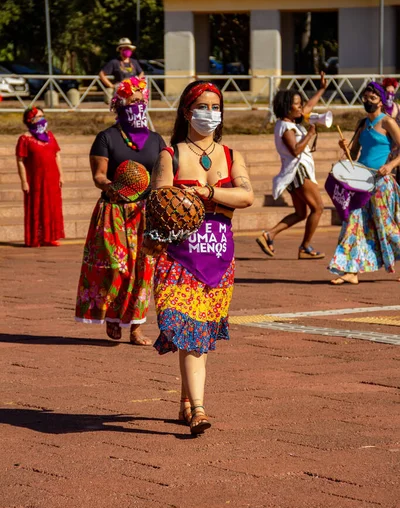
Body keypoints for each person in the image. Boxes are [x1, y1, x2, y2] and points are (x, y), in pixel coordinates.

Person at [151, 80, 254, 435]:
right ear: (186, 112)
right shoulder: (171, 155)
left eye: (215, 107)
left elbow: (247, 196)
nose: (209, 113)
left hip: (218, 257)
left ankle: (184, 401)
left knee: (200, 333)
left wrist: (207, 191)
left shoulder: (231, 156)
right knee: (190, 329)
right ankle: (198, 408)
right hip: (179, 256)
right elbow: (158, 201)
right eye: (202, 107)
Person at [75, 76, 166, 343]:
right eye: (132, 101)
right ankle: (113, 318)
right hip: (114, 212)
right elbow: (99, 176)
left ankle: (136, 326)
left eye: (141, 101)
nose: (138, 105)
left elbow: (163, 173)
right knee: (116, 268)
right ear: (120, 105)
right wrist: (114, 187)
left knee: (143, 269)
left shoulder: (156, 140)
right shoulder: (107, 137)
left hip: (146, 213)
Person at [329, 81, 400, 285]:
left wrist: (391, 165)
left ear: (381, 101)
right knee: (352, 223)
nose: (368, 101)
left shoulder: (387, 122)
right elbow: (353, 154)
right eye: (365, 98)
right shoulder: (362, 123)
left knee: (386, 227)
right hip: (360, 182)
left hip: (380, 182)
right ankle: (350, 270)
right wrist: (345, 148)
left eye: (372, 98)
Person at [255, 72, 327, 260]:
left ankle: (268, 235)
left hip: (293, 174)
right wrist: (310, 134)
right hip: (298, 172)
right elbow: (295, 150)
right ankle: (305, 247)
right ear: (287, 107)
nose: (301, 107)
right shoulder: (286, 127)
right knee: (318, 208)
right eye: (297, 104)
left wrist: (321, 89)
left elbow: (309, 107)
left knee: (301, 213)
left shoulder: (287, 123)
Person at [16, 106, 64, 247]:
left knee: (52, 207)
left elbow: (57, 155)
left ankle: (50, 237)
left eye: (43, 116)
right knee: (36, 207)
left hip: (51, 177)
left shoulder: (49, 136)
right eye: (38, 116)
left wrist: (61, 175)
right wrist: (24, 181)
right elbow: (20, 161)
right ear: (30, 120)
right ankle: (35, 238)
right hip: (35, 179)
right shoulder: (25, 139)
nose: (42, 119)